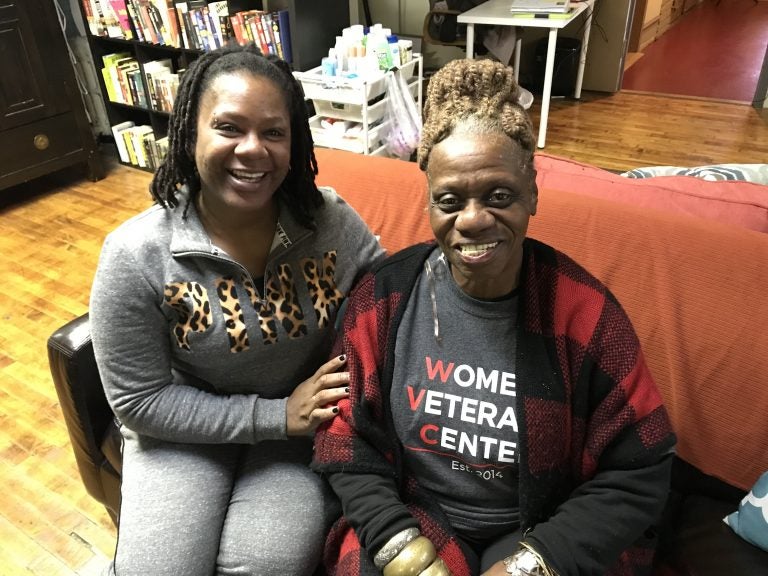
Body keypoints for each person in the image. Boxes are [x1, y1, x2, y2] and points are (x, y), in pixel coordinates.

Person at [312, 58, 676, 576]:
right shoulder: (384, 297)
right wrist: (403, 550)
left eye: (499, 196)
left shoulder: (585, 311)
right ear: (429, 204)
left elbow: (639, 468)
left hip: (542, 524)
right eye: (449, 200)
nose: (474, 219)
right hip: (417, 513)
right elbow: (344, 437)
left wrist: (530, 565)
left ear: (532, 191)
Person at [89, 43, 385, 576]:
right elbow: (137, 401)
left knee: (268, 564)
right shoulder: (135, 255)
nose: (253, 150)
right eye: (228, 128)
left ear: (294, 143)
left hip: (295, 437)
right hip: (184, 434)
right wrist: (273, 415)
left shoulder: (331, 222)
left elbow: (392, 293)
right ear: (189, 134)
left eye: (273, 132)